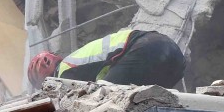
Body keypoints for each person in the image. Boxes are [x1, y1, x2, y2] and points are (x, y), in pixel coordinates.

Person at [27, 29, 186, 89]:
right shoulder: (78, 61)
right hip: (172, 53)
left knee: (103, 97)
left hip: (144, 49)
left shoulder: (64, 73)